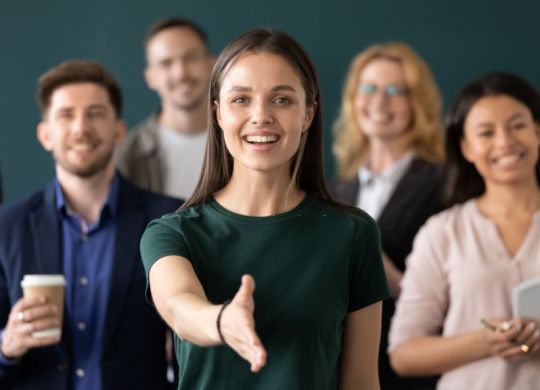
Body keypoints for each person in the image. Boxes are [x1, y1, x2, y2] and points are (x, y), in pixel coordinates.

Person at [140, 28, 390, 389]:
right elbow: (179, 307)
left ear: (308, 114)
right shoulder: (171, 232)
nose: (261, 116)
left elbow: (363, 382)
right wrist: (222, 321)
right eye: (241, 100)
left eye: (282, 100)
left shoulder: (352, 233)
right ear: (218, 113)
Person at [0, 60, 180, 389]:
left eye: (95, 113)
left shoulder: (169, 220)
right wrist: (7, 346)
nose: (81, 128)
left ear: (119, 130)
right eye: (66, 115)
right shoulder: (6, 227)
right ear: (45, 134)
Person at [389, 72, 540, 390]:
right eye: (486, 132)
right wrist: (484, 342)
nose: (505, 142)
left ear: (537, 132)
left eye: (518, 125)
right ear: (466, 148)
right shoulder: (443, 232)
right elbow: (403, 354)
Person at [330, 42, 444, 390]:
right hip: (339, 367)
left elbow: (459, 296)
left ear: (417, 103)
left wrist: (381, 268)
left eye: (396, 91)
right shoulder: (335, 191)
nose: (379, 101)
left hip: (409, 371)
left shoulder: (446, 183)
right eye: (369, 89)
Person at [115, 17, 214, 199]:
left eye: (190, 58)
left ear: (211, 65)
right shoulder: (127, 156)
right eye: (166, 63)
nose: (181, 73)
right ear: (151, 78)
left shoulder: (243, 140)